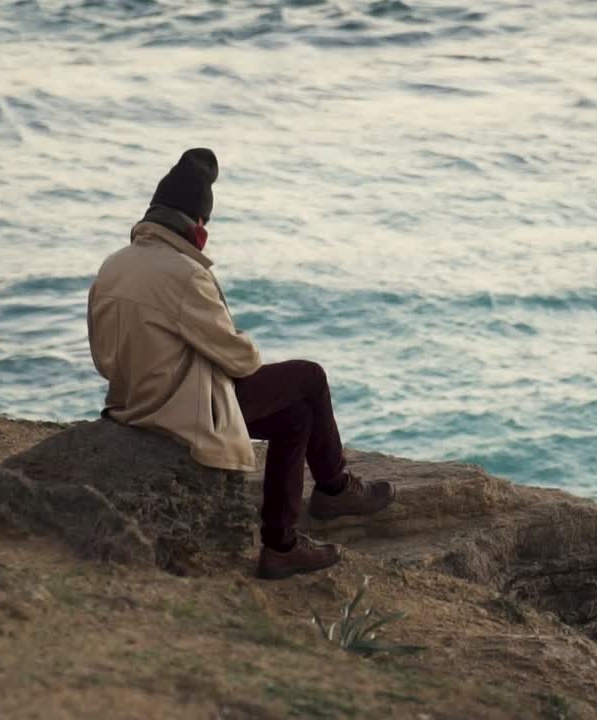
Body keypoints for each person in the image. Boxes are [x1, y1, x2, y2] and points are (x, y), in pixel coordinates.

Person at [87, 148, 396, 580]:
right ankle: (335, 489)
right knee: (310, 378)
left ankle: (282, 548)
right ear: (197, 225)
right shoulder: (184, 275)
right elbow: (242, 360)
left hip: (129, 403)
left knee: (295, 417)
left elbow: (102, 354)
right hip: (176, 411)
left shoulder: (113, 265)